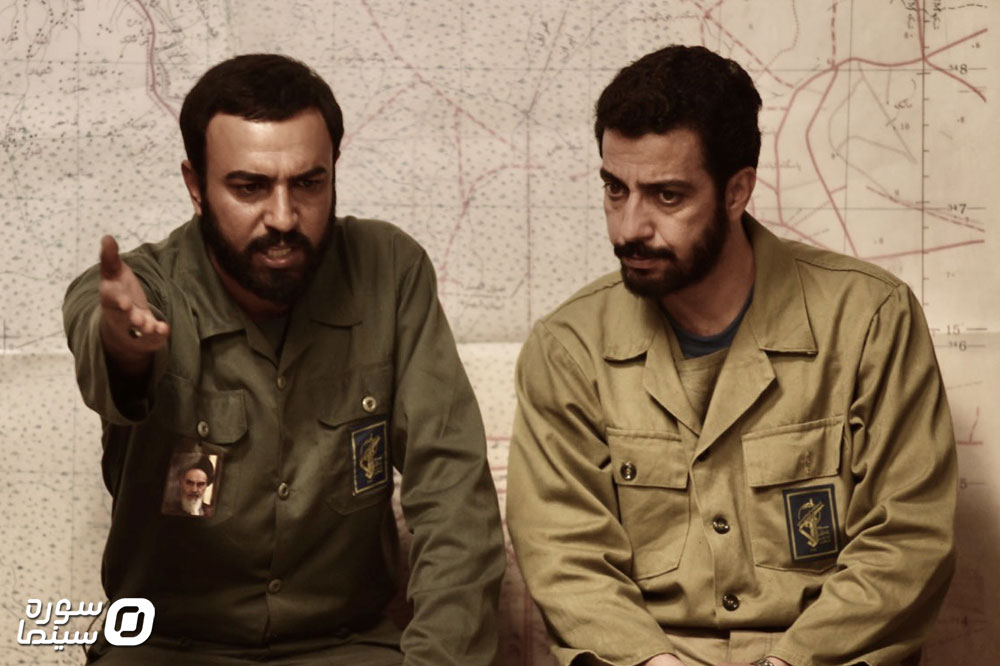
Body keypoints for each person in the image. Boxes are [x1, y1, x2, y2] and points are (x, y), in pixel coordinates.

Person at [506, 45, 957, 666]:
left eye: (667, 196)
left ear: (736, 191)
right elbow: (566, 557)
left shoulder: (871, 320)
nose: (628, 228)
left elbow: (907, 540)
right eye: (615, 188)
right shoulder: (568, 348)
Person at [64, 53, 505, 665]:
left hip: (346, 646)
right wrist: (125, 350)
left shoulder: (390, 271)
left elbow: (453, 499)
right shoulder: (141, 290)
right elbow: (103, 342)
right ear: (196, 186)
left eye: (308, 183)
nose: (282, 217)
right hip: (168, 646)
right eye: (249, 187)